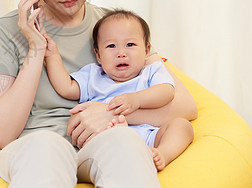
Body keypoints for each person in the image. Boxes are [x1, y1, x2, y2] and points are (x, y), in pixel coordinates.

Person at [0, 0, 197, 187]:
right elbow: (2, 133)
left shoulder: (117, 26)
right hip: (31, 148)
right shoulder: (5, 31)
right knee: (46, 147)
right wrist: (35, 48)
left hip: (99, 145)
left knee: (124, 142)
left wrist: (111, 113)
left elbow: (185, 107)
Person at [44, 9, 194, 171]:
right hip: (108, 138)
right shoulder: (94, 75)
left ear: (146, 50)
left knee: (182, 126)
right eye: (111, 46)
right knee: (91, 135)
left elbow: (166, 92)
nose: (121, 53)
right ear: (98, 55)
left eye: (130, 44)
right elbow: (66, 87)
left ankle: (161, 155)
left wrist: (136, 100)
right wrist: (52, 55)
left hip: (149, 136)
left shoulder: (151, 72)